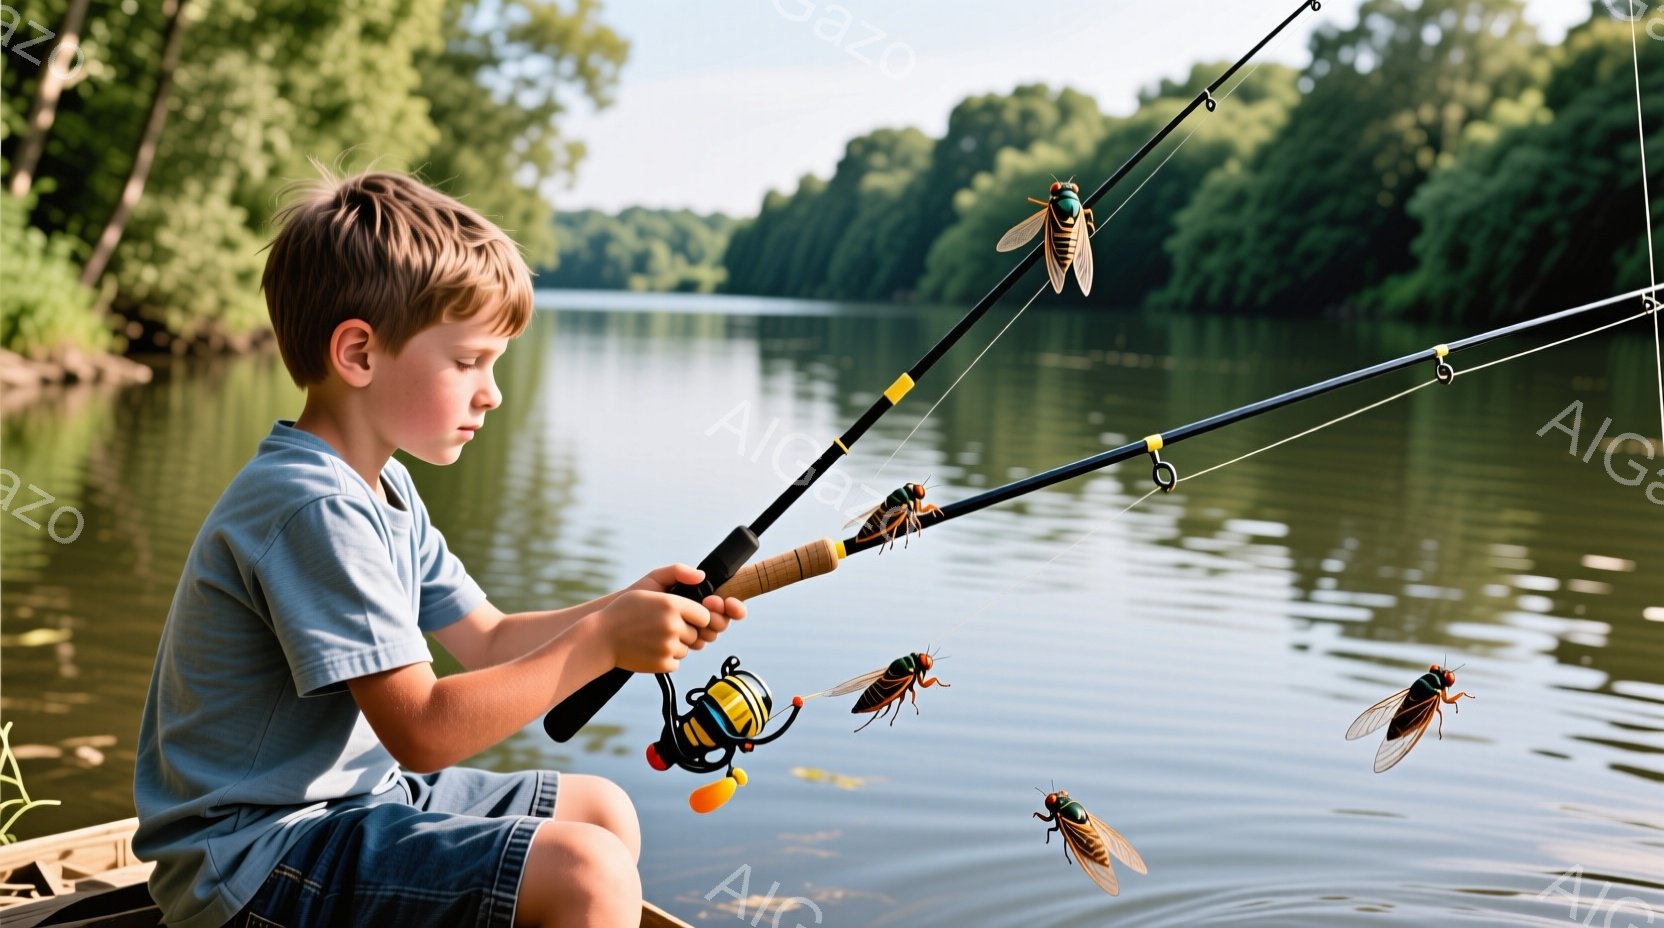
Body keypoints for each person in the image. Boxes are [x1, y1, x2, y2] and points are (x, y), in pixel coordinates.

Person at [132, 168, 746, 928]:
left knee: (601, 813)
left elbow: (487, 641)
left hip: (352, 802)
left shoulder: (384, 489)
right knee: (587, 877)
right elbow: (422, 730)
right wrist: (599, 643)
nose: (491, 392)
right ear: (358, 353)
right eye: (467, 362)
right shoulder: (312, 505)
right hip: (253, 859)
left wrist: (627, 610)